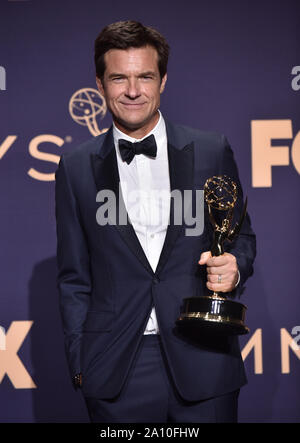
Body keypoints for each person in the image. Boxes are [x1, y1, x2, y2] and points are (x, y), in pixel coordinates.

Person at [55, 20, 256, 423]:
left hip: (204, 358)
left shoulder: (210, 149)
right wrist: (82, 361)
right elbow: (74, 278)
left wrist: (234, 268)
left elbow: (241, 238)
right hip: (115, 370)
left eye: (145, 76)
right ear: (99, 84)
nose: (133, 91)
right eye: (119, 78)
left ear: (163, 79)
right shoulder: (75, 167)